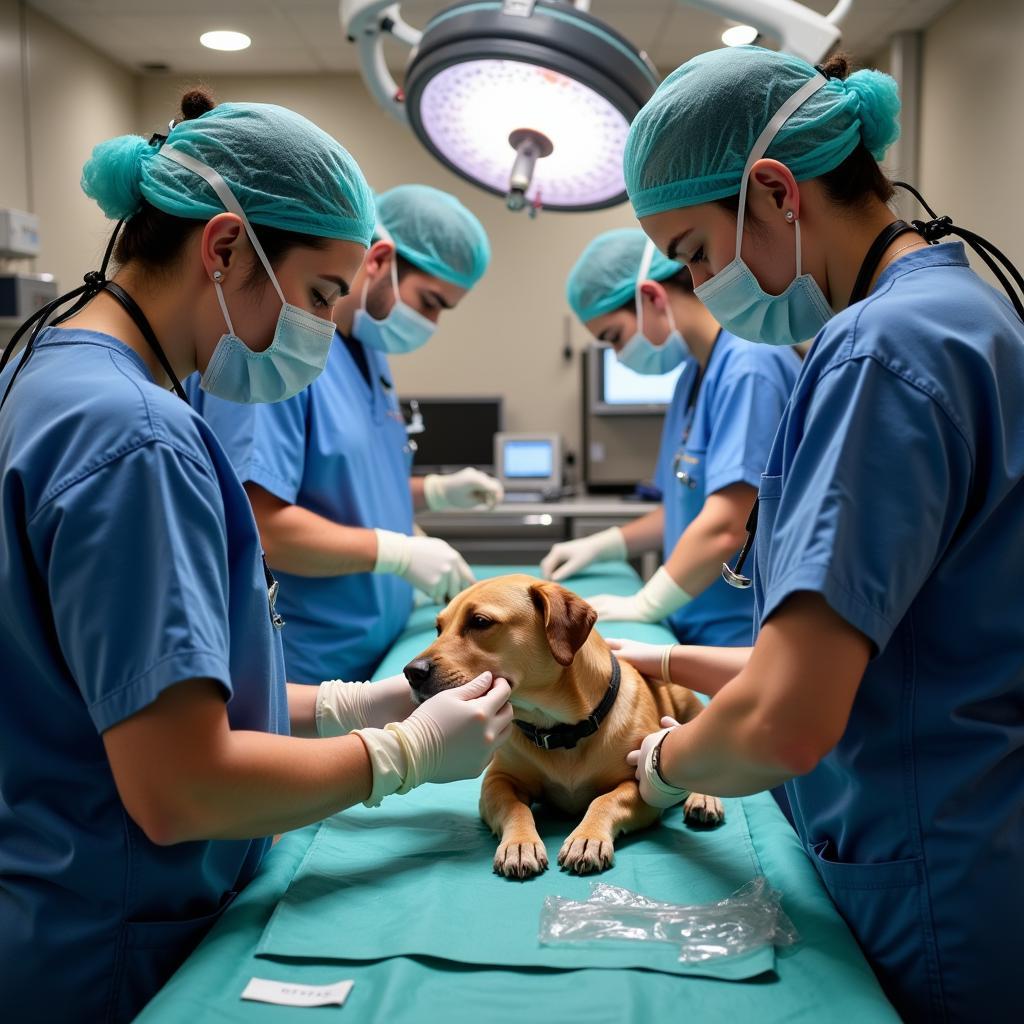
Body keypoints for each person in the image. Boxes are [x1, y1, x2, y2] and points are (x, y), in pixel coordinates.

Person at [0, 91, 512, 1023]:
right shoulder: (136, 436)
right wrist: (394, 755)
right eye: (320, 295)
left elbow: (132, 699)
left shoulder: (48, 373)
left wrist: (355, 703)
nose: (321, 328)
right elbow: (179, 786)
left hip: (56, 889)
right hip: (113, 940)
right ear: (224, 248)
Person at [616, 46, 1024, 1022]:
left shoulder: (882, 348)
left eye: (695, 252)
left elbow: (786, 722)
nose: (697, 285)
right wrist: (672, 663)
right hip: (963, 830)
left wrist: (660, 767)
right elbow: (910, 638)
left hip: (931, 871)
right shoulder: (956, 312)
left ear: (772, 192)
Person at [188, 183, 501, 685]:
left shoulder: (368, 352)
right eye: (430, 302)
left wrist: (434, 493)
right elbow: (260, 526)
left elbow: (350, 488)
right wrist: (396, 553)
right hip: (308, 664)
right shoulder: (280, 355)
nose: (432, 322)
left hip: (377, 650)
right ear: (379, 260)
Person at [542, 227, 799, 647]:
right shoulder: (693, 377)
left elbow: (729, 524)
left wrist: (646, 602)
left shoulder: (750, 366)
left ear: (652, 298)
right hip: (695, 630)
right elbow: (682, 510)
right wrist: (602, 545)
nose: (620, 355)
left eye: (614, 337)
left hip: (745, 638)